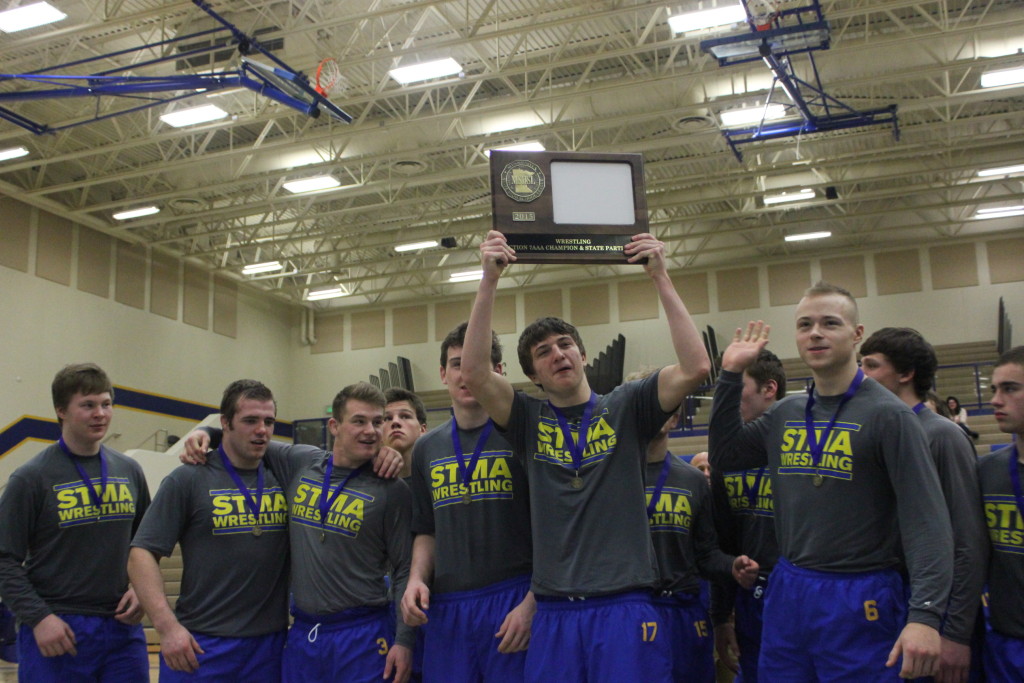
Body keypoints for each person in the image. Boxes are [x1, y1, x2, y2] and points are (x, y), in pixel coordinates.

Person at [462, 230, 712, 682]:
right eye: (543, 352)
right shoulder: (526, 420)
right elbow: (475, 372)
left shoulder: (627, 405)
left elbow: (696, 366)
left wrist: (660, 276)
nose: (557, 354)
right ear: (533, 375)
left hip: (624, 603)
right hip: (555, 610)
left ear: (582, 353)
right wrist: (488, 281)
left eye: (564, 344)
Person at [708, 282, 954, 680]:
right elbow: (725, 456)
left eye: (829, 323)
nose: (815, 333)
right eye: (805, 324)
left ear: (856, 334)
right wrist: (731, 374)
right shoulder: (786, 413)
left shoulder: (889, 417)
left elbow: (927, 523)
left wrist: (925, 615)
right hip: (790, 587)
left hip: (862, 592)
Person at [180, 383, 414, 683]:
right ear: (334, 426)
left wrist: (404, 640)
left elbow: (405, 569)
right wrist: (207, 434)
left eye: (376, 422)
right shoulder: (301, 461)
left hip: (362, 634)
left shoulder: (392, 490)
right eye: (359, 421)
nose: (370, 430)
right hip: (304, 634)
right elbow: (249, 438)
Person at [129, 379, 290, 681]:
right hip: (201, 646)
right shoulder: (187, 479)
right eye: (250, 420)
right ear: (226, 423)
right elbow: (140, 554)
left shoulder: (283, 475)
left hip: (270, 647)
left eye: (269, 421)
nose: (262, 430)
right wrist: (166, 627)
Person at [0, 363, 151, 682]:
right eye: (88, 405)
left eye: (106, 404)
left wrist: (141, 588)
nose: (101, 414)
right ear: (61, 411)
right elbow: (4, 560)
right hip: (58, 626)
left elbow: (145, 544)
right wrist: (39, 618)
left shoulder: (129, 471)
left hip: (122, 627)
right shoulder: (31, 478)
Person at [401, 322, 534, 682]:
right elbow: (425, 529)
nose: (466, 374)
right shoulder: (426, 448)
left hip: (513, 600)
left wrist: (534, 601)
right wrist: (416, 579)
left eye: (479, 363)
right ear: (443, 374)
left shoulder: (522, 435)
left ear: (499, 372)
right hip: (448, 607)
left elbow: (553, 526)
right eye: (457, 364)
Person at [861, 327, 988, 683]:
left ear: (905, 374)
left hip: (937, 613)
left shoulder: (943, 436)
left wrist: (956, 632)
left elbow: (967, 541)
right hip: (887, 605)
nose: (860, 375)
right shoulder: (873, 432)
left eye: (871, 365)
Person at [629, 368, 759, 683]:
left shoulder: (692, 481)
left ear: (675, 416)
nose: (655, 409)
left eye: (662, 401)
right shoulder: (606, 478)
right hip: (628, 611)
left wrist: (732, 566)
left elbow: (705, 554)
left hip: (684, 611)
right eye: (644, 402)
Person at [708, 349, 786, 682]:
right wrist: (722, 616)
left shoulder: (798, 449)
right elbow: (724, 540)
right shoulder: (727, 460)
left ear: (769, 389)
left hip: (797, 589)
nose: (727, 401)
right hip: (749, 596)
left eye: (737, 387)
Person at [977, 345, 1024, 679]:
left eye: (1010, 389)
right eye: (994, 389)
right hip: (1006, 643)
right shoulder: (986, 471)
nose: (995, 400)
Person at [384, 388, 429, 479]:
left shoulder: (437, 479)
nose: (395, 422)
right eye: (387, 418)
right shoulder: (364, 482)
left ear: (422, 429)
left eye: (405, 416)